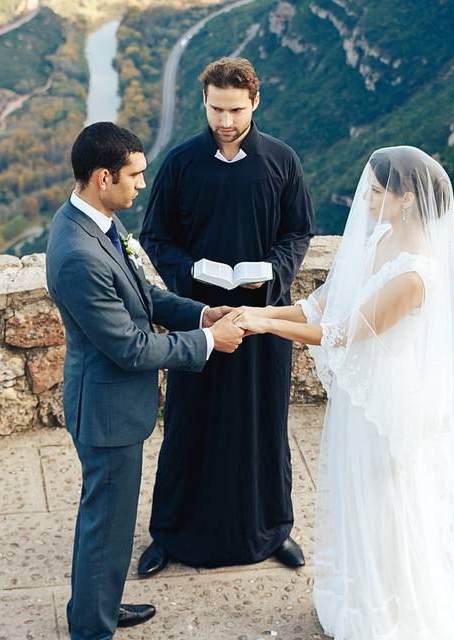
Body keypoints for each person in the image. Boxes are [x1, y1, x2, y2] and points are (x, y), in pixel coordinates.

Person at [235, 147, 454, 639]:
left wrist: (262, 325)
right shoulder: (379, 237)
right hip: (362, 399)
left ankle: (392, 611)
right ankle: (366, 594)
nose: (366, 200)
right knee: (361, 501)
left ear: (406, 200)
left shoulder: (414, 275)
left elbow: (344, 331)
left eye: (378, 193)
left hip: (389, 405)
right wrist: (255, 317)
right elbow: (318, 307)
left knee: (386, 507)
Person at [44, 122, 245, 640]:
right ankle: (91, 629)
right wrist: (207, 343)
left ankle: (102, 607)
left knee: (112, 523)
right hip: (106, 412)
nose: (141, 185)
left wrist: (201, 314)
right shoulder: (77, 255)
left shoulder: (102, 224)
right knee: (104, 523)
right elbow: (129, 346)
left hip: (119, 406)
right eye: (133, 176)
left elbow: (145, 298)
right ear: (102, 177)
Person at [137, 57, 315, 574]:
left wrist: (271, 269)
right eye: (217, 108)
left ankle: (273, 528)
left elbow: (298, 233)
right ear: (205, 103)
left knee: (263, 424)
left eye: (236, 109)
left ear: (255, 103)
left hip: (263, 320)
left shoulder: (282, 161)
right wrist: (195, 269)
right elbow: (156, 237)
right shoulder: (182, 163)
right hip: (202, 318)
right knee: (190, 425)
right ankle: (169, 534)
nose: (227, 121)